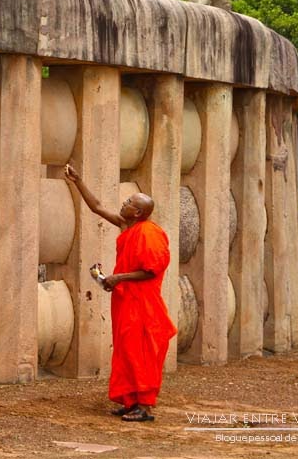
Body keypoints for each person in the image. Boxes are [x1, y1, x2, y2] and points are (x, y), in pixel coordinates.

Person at [63, 164, 177, 423]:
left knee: (142, 351)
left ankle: (144, 406)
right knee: (127, 349)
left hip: (143, 303)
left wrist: (118, 278)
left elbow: (151, 270)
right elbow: (97, 207)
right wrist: (78, 181)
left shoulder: (150, 234)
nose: (123, 203)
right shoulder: (128, 226)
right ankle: (131, 401)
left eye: (128, 202)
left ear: (138, 212)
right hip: (126, 300)